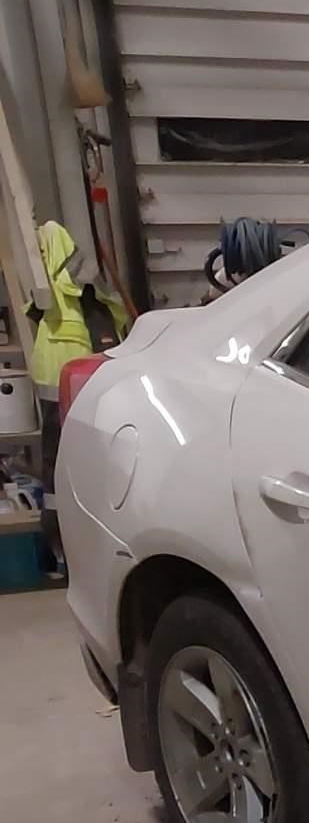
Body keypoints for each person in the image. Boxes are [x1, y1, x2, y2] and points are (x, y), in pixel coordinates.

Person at [25, 219, 127, 574]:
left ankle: (64, 551)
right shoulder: (73, 290)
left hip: (64, 387)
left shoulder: (57, 289)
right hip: (77, 389)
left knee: (62, 466)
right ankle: (68, 550)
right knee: (75, 466)